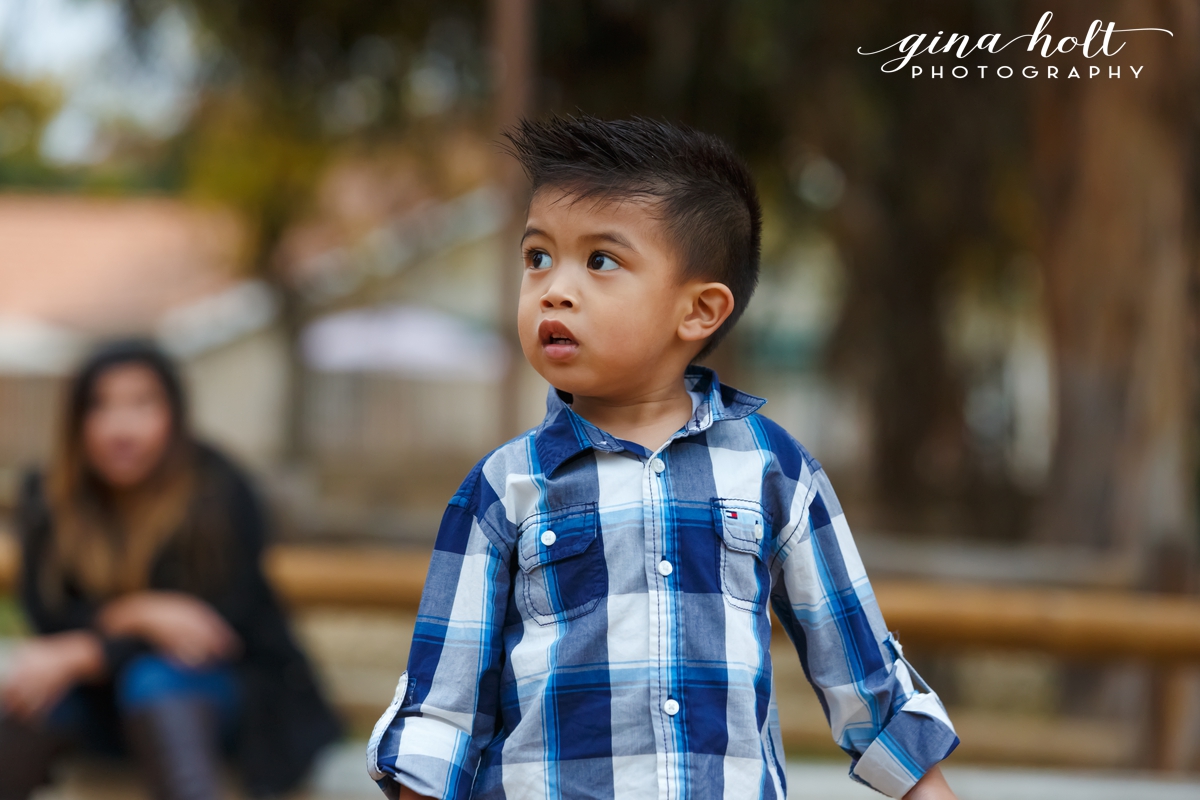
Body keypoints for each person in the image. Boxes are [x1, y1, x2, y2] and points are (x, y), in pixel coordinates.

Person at [367, 117, 959, 800]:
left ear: (699, 311)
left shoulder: (773, 472)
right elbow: (441, 711)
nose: (555, 289)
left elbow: (864, 675)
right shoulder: (505, 488)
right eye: (537, 259)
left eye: (601, 261)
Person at [0, 341, 341, 800]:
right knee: (30, 691)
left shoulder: (219, 489)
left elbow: (215, 632)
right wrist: (138, 615)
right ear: (76, 421)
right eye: (101, 406)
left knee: (157, 679)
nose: (121, 427)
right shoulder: (49, 496)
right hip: (104, 703)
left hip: (235, 697)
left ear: (174, 415)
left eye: (142, 404)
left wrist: (90, 645)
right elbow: (51, 621)